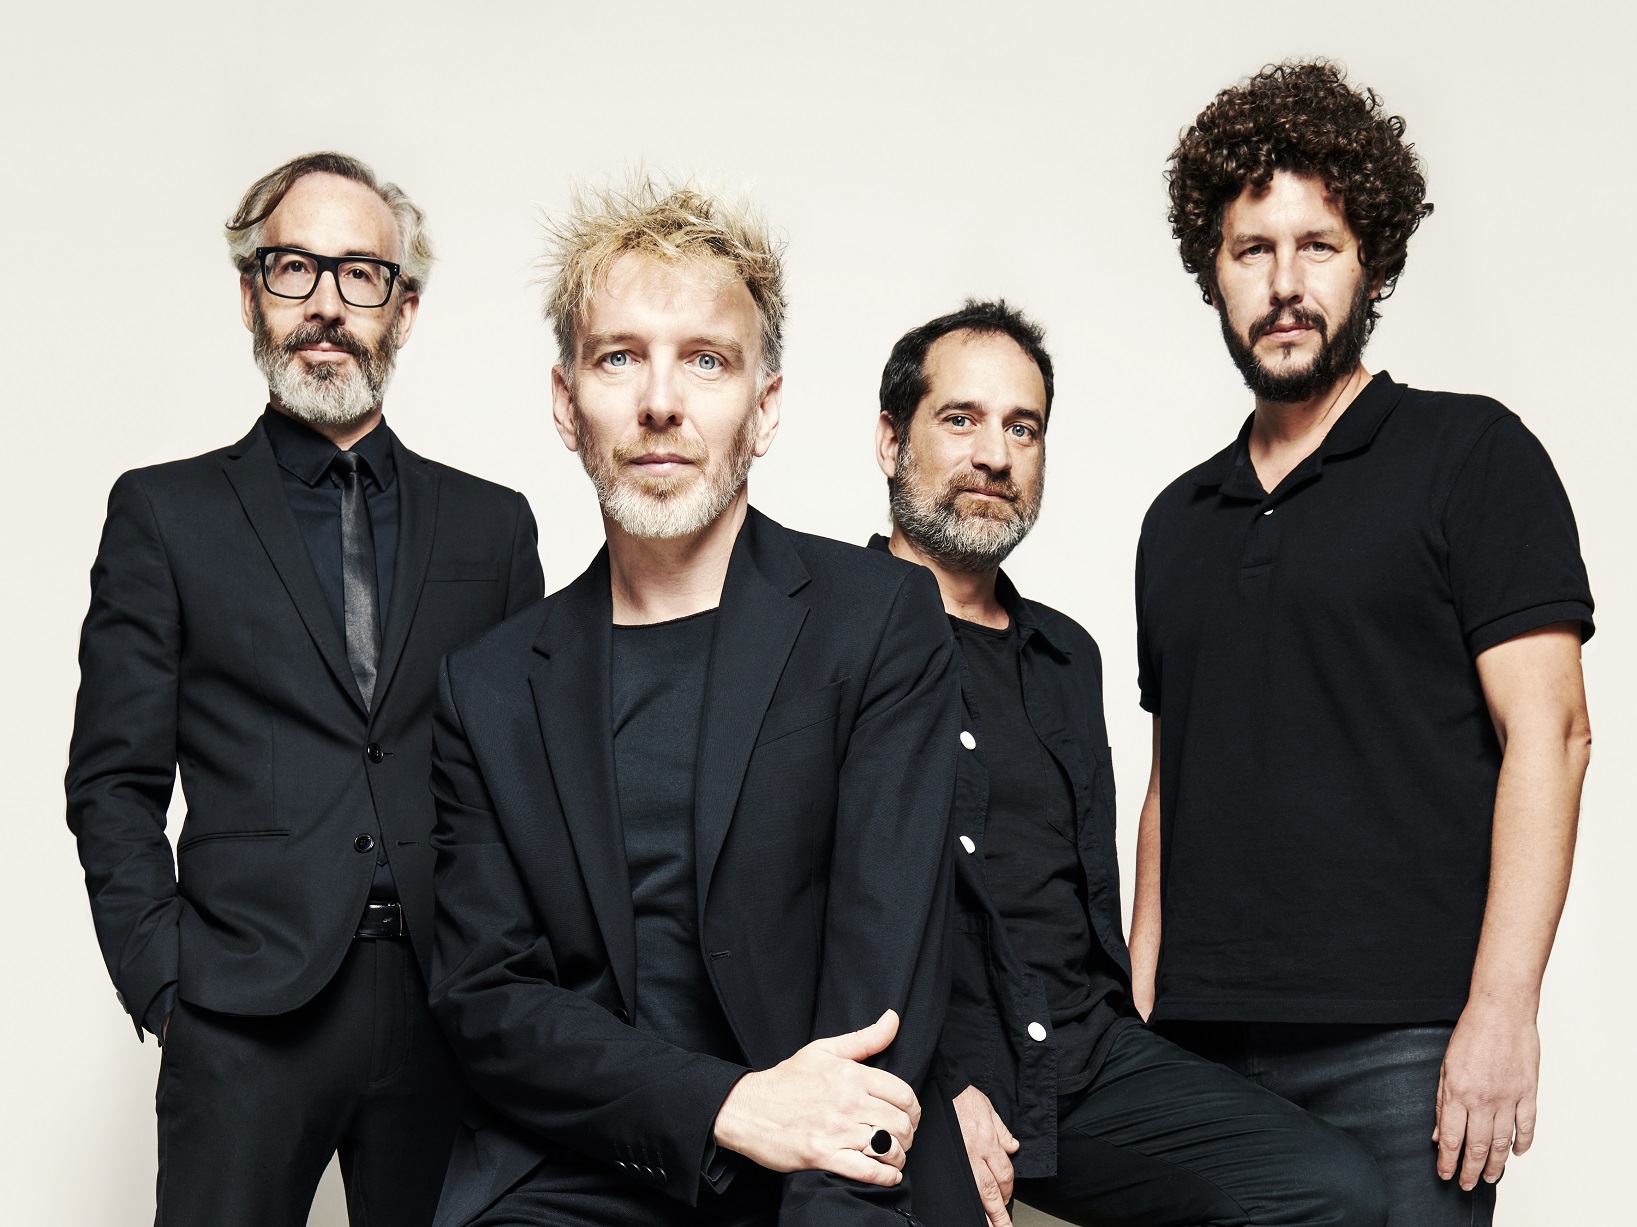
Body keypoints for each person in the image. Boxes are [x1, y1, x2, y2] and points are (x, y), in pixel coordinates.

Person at [424, 179, 983, 1227]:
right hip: (588, 1162)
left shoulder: (876, 619)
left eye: (706, 360)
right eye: (618, 357)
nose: (659, 401)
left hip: (831, 1151)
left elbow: (882, 970)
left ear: (763, 409)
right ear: (566, 403)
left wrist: (813, 1165)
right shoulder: (487, 687)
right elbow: (489, 1002)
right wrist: (725, 1105)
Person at [1133, 62, 1595, 1225]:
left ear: (1372, 263)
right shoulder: (1175, 520)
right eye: (1251, 250)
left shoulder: (1471, 457)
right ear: (1211, 271)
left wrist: (1501, 1013)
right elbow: (1168, 784)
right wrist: (1134, 1017)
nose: (1283, 284)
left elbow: (1551, 735)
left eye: (1317, 246)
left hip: (1400, 1051)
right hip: (1193, 1051)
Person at [65, 152, 545, 1226]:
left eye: (360, 273)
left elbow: (526, 784)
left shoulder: (493, 527)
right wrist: (167, 987)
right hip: (241, 1015)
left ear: (403, 310)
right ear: (252, 295)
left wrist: (514, 982)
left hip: (450, 1009)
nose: (326, 303)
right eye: (294, 268)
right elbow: (111, 781)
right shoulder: (164, 515)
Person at [873, 299, 1384, 1227]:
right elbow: (791, 908)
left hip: (1089, 1059)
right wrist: (925, 1082)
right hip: (941, 1074)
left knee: (1333, 1191)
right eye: (960, 419)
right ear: (889, 441)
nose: (995, 455)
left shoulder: (1064, 654)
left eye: (1022, 427)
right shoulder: (828, 633)